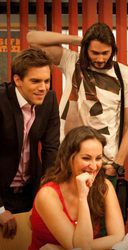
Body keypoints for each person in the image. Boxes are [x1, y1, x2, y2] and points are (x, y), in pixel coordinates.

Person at [27, 22, 128, 179]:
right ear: (85, 49)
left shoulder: (125, 74)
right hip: (67, 157)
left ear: (113, 50)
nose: (100, 58)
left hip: (103, 161)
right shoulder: (72, 62)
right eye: (94, 52)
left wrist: (117, 164)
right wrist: (77, 40)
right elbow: (32, 39)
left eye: (105, 53)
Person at [29, 126, 125, 250]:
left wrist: (58, 249)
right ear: (68, 158)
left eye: (98, 158)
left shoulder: (104, 187)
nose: (94, 166)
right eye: (86, 158)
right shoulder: (47, 195)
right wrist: (83, 196)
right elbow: (80, 248)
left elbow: (118, 237)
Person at [0, 48, 60, 239]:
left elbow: (52, 150)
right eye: (35, 81)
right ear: (17, 80)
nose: (43, 87)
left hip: (30, 190)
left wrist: (47, 197)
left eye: (46, 81)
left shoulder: (49, 99)